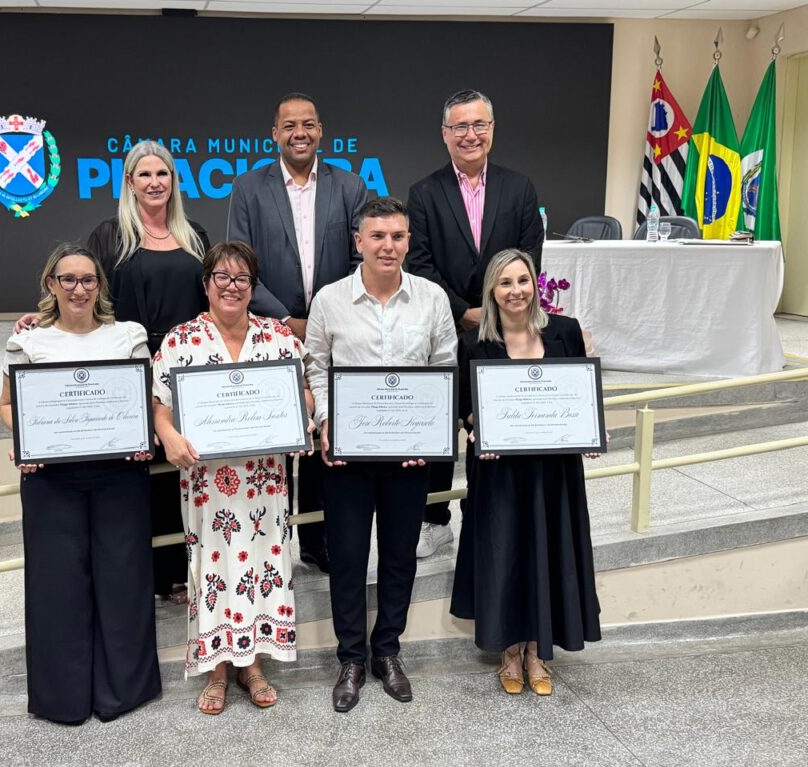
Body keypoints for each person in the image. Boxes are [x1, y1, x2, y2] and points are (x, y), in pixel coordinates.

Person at [16, 140, 210, 605]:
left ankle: (191, 569)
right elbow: (78, 291)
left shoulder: (195, 234)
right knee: (142, 468)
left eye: (162, 174)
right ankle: (155, 574)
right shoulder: (109, 236)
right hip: (131, 364)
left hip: (188, 367)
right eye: (144, 175)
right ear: (129, 182)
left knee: (185, 464)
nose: (154, 183)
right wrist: (38, 318)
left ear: (174, 181)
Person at [304, 197, 457, 712]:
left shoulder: (433, 299)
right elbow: (316, 370)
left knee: (399, 558)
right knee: (346, 559)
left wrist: (429, 436)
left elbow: (445, 371)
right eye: (377, 236)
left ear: (408, 241)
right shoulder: (329, 301)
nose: (387, 246)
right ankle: (350, 658)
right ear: (358, 242)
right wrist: (327, 423)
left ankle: (386, 650)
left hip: (409, 459)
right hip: (346, 458)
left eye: (397, 236)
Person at [0, 243, 160, 724]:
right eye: (67, 279)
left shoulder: (127, 335)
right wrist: (27, 440)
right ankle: (60, 698)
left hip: (119, 474)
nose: (78, 288)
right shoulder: (29, 342)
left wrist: (143, 435)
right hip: (52, 479)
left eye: (88, 279)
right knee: (56, 588)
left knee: (124, 581)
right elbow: (7, 405)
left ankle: (123, 691)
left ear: (100, 286)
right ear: (50, 284)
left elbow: (143, 402)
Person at [151, 241, 315, 714]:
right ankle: (217, 670)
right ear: (206, 284)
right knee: (213, 570)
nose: (231, 287)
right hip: (207, 480)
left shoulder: (278, 338)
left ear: (253, 287)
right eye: (221, 277)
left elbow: (304, 391)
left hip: (264, 481)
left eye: (242, 279)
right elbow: (159, 403)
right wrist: (167, 434)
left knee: (264, 564)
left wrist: (299, 413)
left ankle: (253, 664)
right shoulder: (181, 340)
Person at [226, 92, 368, 574]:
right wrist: (287, 319)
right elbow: (240, 264)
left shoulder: (350, 186)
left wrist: (325, 314)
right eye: (289, 125)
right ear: (274, 134)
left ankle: (317, 537)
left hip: (338, 329)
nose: (299, 133)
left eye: (308, 124)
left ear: (321, 130)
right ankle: (268, 538)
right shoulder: (248, 188)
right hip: (270, 328)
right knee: (277, 430)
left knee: (325, 427)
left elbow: (359, 260)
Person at [451, 248, 601, 696]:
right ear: (492, 292)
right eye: (505, 283)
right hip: (500, 473)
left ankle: (538, 653)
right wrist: (478, 430)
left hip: (553, 470)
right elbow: (465, 409)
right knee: (505, 553)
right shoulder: (474, 343)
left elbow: (580, 394)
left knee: (549, 550)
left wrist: (589, 431)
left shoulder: (566, 332)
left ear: (535, 285)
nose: (516, 291)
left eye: (523, 281)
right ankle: (509, 653)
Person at [406, 89, 544, 560]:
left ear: (492, 130)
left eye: (479, 125)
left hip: (506, 331)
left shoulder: (520, 188)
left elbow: (529, 257)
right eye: (460, 127)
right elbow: (419, 263)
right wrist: (465, 308)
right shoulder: (424, 194)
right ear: (445, 135)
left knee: (499, 422)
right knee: (445, 421)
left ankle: (496, 513)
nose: (470, 135)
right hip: (447, 327)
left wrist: (498, 308)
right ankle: (435, 519)